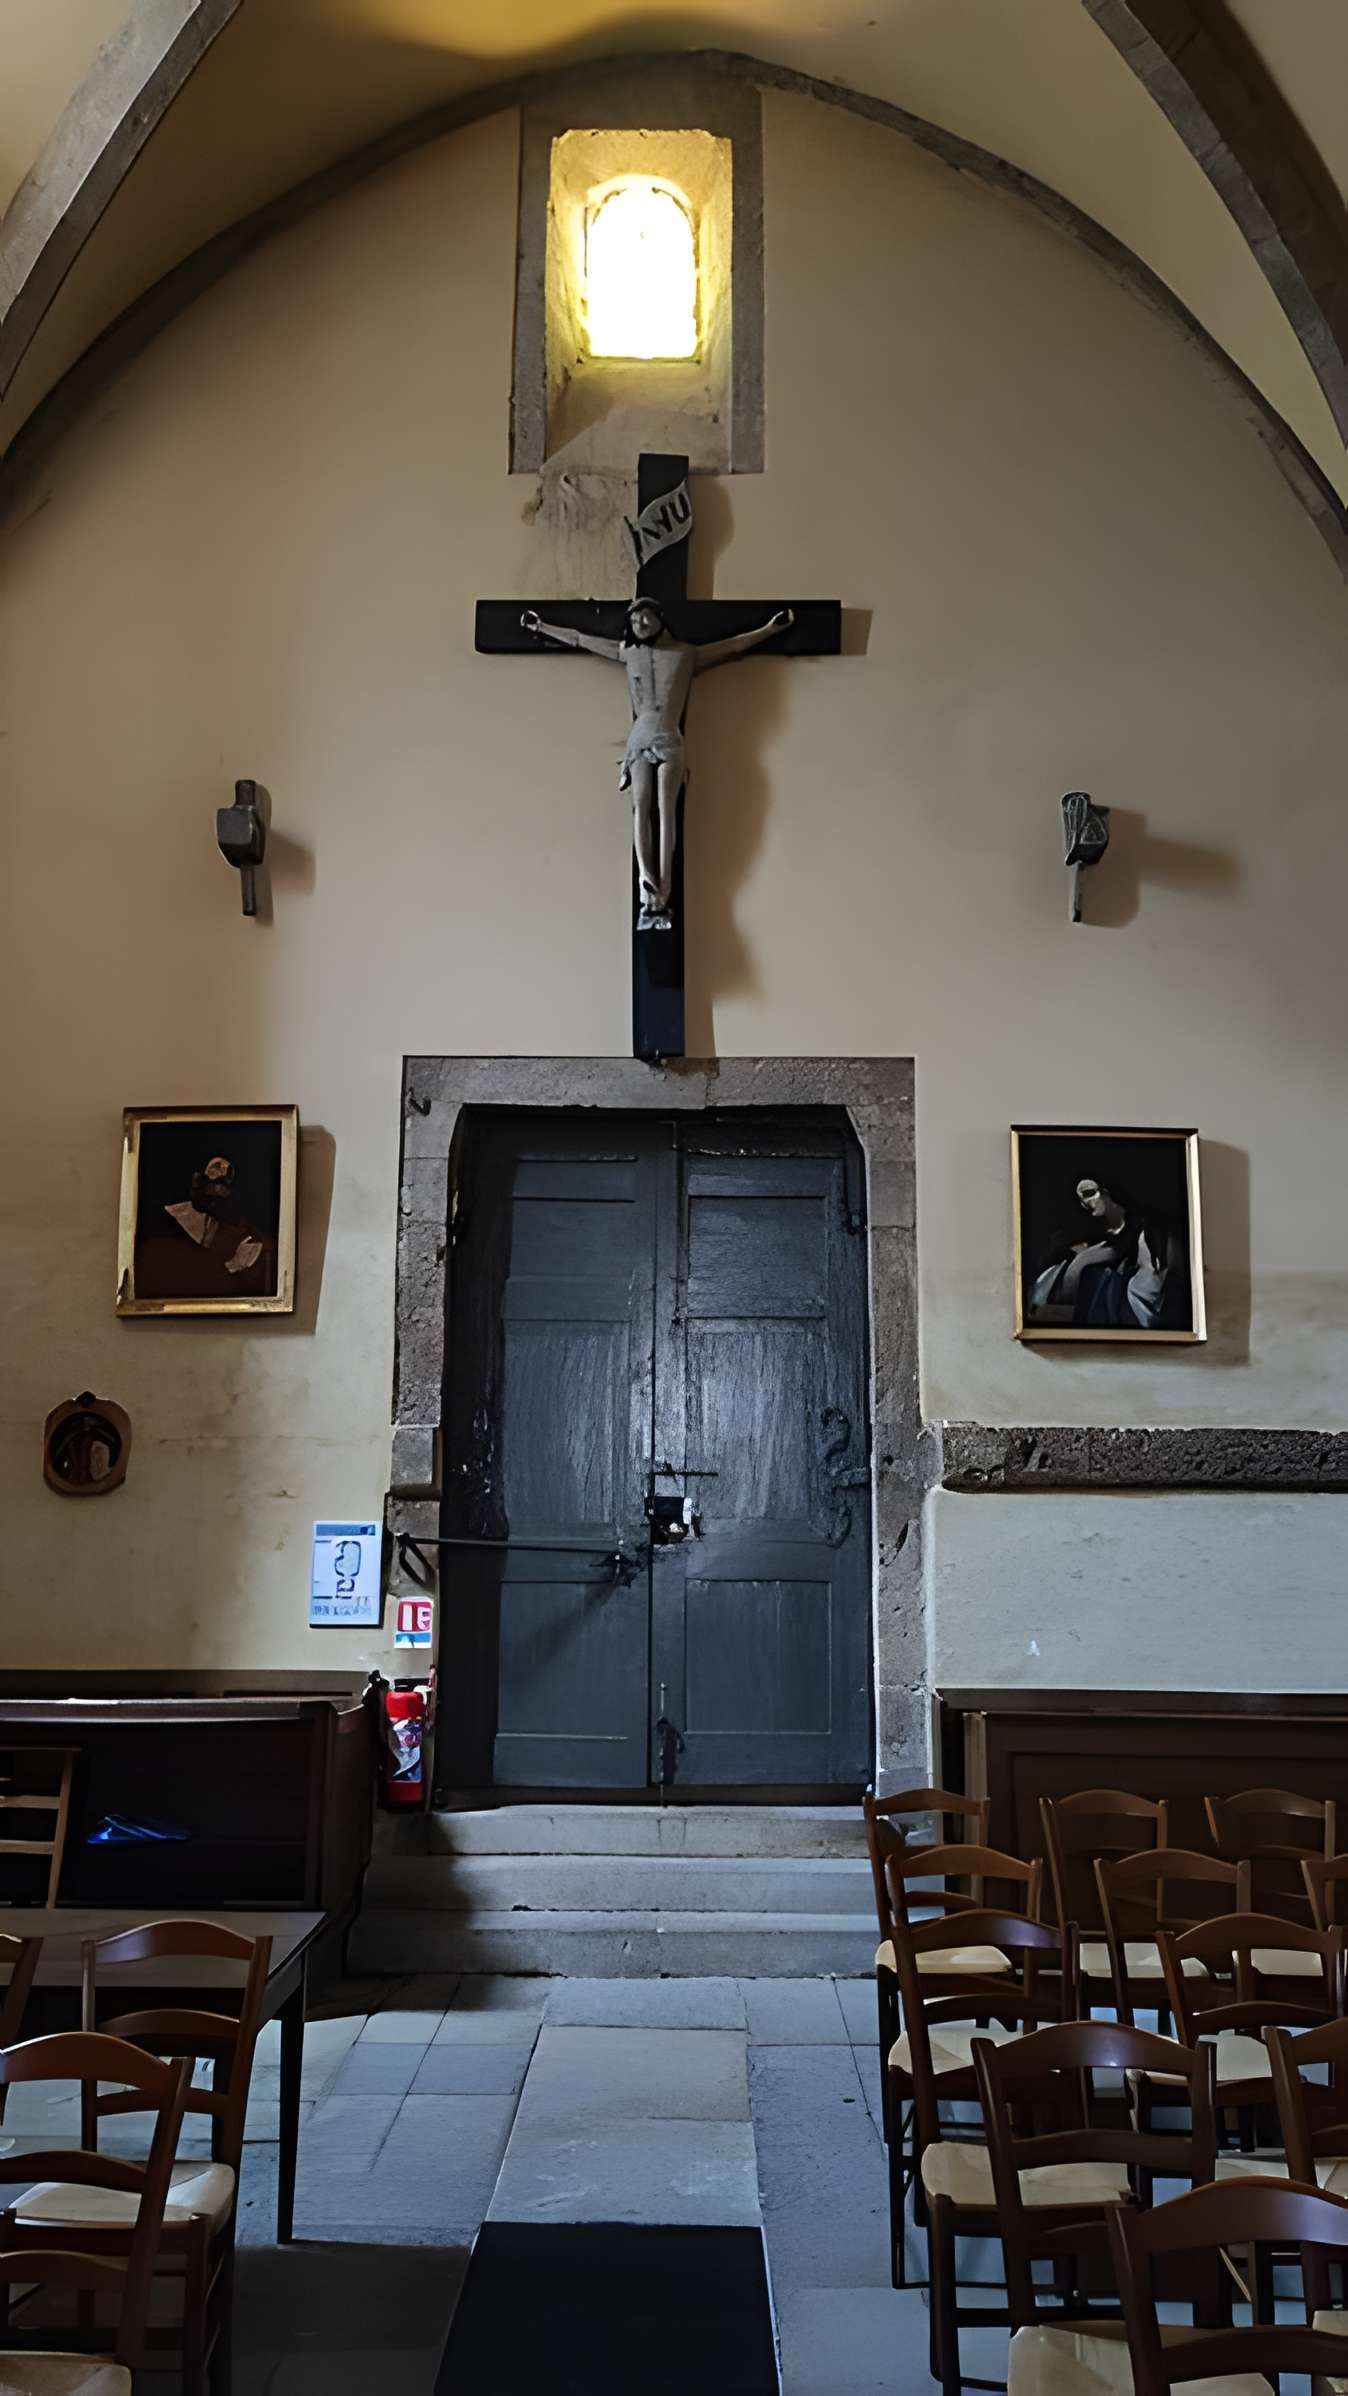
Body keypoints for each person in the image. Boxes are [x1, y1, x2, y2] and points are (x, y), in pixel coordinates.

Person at [521, 594, 794, 928]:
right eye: (635, 621)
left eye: (647, 617)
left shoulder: (684, 654)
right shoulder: (627, 652)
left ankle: (663, 889)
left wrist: (769, 629)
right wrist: (542, 626)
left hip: (669, 736)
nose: (642, 624)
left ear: (660, 618)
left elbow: (733, 646)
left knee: (667, 811)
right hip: (640, 737)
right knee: (641, 806)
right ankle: (646, 883)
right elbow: (581, 639)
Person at [1027, 1175, 1184, 1330]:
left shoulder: (1148, 1233)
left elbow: (1145, 1299)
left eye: (1089, 1193)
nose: (1085, 1203)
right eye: (1081, 1199)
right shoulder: (1094, 1238)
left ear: (1108, 1189)